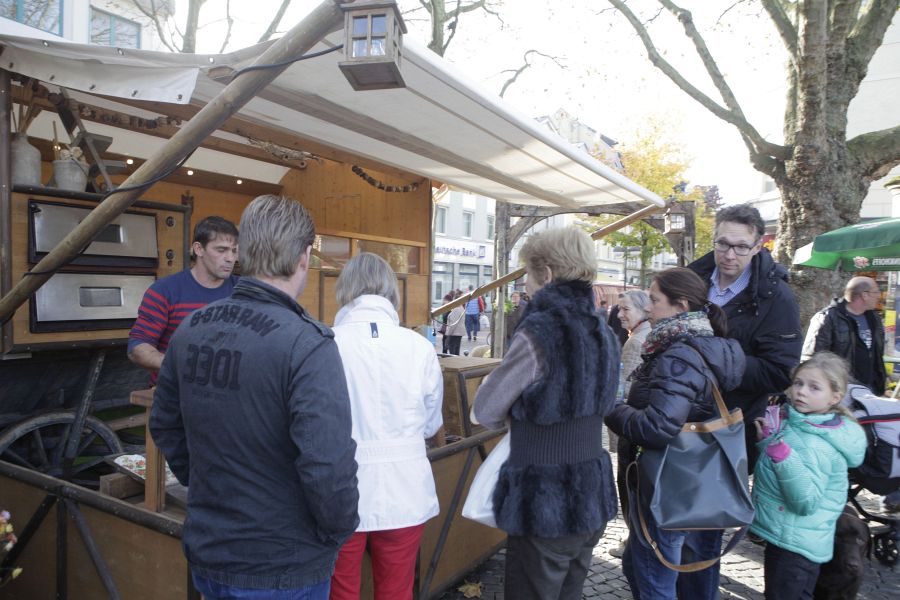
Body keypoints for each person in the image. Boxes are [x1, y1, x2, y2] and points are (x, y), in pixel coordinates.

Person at [150, 195, 359, 599]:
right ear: (304, 256)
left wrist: (207, 486)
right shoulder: (307, 344)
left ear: (243, 250)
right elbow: (327, 463)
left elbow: (164, 423)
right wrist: (338, 530)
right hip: (283, 563)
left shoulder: (191, 328)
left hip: (211, 547)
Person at [473, 227, 620, 600]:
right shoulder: (604, 331)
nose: (525, 283)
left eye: (527, 273)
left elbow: (485, 410)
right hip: (590, 491)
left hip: (545, 499)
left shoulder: (540, 331)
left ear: (548, 273)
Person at [605, 267, 746, 600]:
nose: (648, 307)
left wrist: (610, 407)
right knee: (659, 569)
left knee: (653, 577)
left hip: (669, 484)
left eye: (654, 300)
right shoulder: (708, 345)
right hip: (701, 482)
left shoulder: (678, 353)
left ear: (681, 305)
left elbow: (657, 427)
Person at [329, 253, 444, 600]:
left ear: (345, 290)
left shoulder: (327, 342)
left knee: (340, 591)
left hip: (340, 487)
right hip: (405, 486)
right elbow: (431, 423)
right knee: (396, 590)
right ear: (392, 291)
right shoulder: (419, 347)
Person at [687, 203, 802, 467]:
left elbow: (780, 371)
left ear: (757, 246)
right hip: (679, 415)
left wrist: (718, 359)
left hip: (731, 425)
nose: (729, 255)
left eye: (741, 247)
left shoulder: (776, 297)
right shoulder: (690, 279)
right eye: (723, 244)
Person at [750, 352, 866, 600]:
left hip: (794, 543)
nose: (801, 391)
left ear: (835, 397)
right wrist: (769, 442)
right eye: (798, 383)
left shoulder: (815, 442)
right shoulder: (804, 426)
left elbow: (805, 501)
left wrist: (782, 454)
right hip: (799, 538)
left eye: (814, 387)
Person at [128, 216, 239, 383]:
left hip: (230, 390)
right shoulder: (165, 290)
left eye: (234, 251)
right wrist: (182, 365)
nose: (230, 258)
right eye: (221, 250)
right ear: (198, 249)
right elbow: (138, 347)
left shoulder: (245, 291)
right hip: (174, 391)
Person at [802, 277, 887, 395]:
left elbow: (877, 355)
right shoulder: (827, 318)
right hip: (840, 391)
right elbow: (812, 358)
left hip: (870, 390)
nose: (879, 296)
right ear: (864, 295)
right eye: (876, 292)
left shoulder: (874, 318)